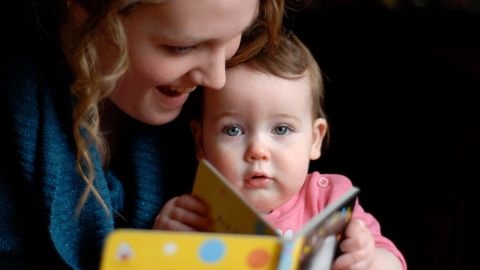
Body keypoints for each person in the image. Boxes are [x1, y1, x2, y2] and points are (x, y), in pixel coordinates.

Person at [0, 0, 289, 269]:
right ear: (82, 11)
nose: (217, 79)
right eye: (183, 47)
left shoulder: (241, 85)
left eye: (235, 34)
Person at [154, 33, 407, 270]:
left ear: (314, 140)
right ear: (201, 142)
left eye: (282, 129)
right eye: (233, 130)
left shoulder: (329, 200)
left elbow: (395, 264)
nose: (258, 151)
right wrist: (163, 245)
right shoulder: (194, 216)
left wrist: (366, 258)